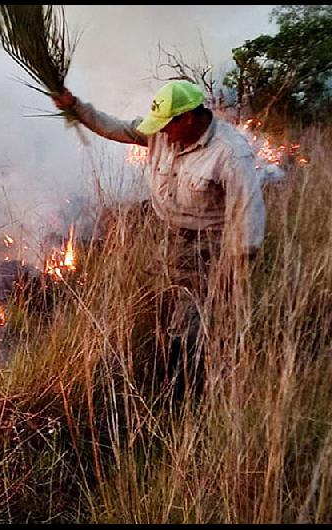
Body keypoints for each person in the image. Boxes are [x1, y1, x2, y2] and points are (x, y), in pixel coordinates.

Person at [52, 80, 266, 400]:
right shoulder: (162, 132)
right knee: (163, 308)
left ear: (188, 118)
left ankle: (183, 395)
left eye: (167, 125)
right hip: (171, 238)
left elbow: (249, 214)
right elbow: (115, 128)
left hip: (210, 246)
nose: (161, 133)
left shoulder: (230, 153)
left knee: (190, 321)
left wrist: (233, 270)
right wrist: (76, 107)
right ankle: (176, 364)